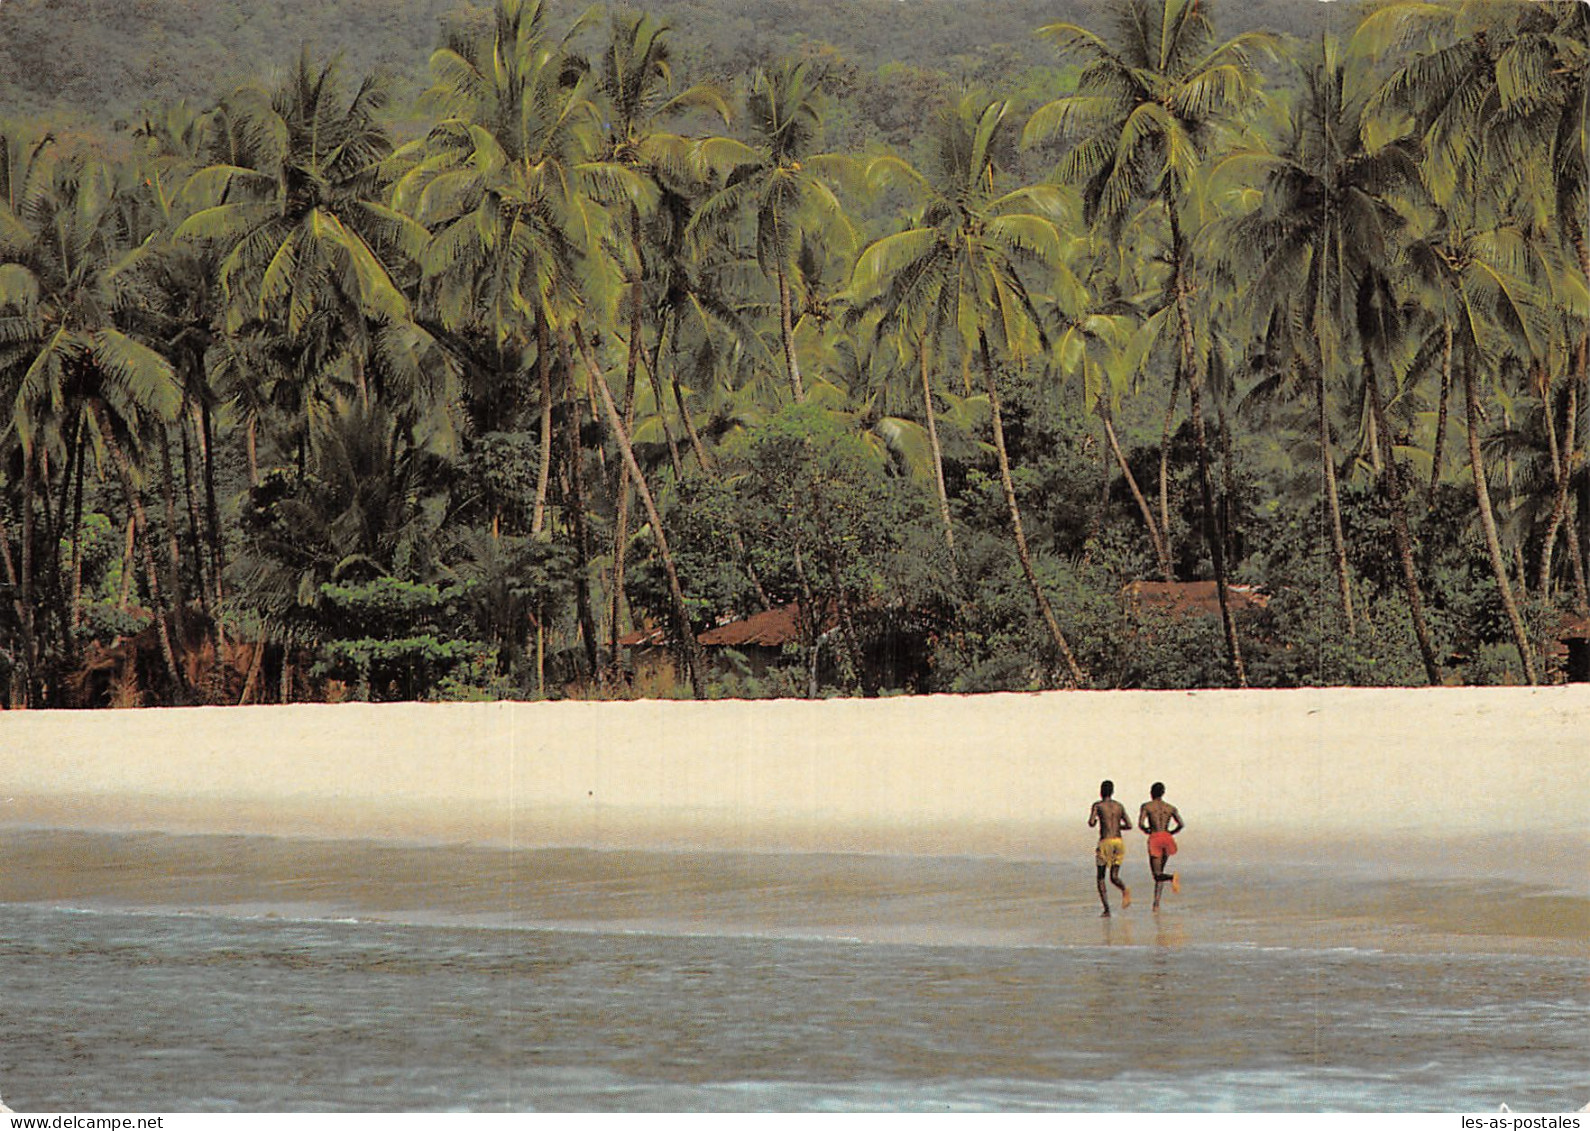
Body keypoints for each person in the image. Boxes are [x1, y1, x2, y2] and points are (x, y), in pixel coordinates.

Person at [1088, 779, 1132, 916]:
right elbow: (1129, 825)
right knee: (1114, 876)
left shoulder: (1098, 805)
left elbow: (1091, 822)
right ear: (1112, 792)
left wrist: (1097, 821)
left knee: (1101, 877)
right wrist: (1117, 826)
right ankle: (1124, 889)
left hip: (1105, 841)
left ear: (1101, 792)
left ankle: (1107, 909)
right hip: (1118, 841)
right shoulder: (1119, 806)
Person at [1138, 781, 1184, 910]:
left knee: (1157, 874)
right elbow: (1181, 824)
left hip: (1155, 838)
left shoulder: (1147, 806)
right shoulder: (1170, 808)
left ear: (1151, 793)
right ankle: (1156, 903)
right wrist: (1171, 833)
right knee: (1160, 873)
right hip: (1167, 838)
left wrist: (1146, 830)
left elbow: (1141, 824)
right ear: (1163, 793)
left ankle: (1171, 877)